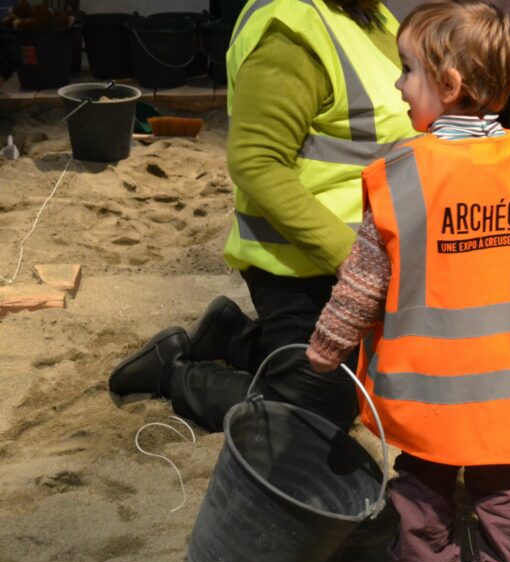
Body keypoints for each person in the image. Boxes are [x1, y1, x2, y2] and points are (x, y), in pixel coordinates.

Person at [306, 0, 510, 562]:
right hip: (505, 386)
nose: (398, 83)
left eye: (407, 70)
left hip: (423, 385)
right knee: (503, 485)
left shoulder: (402, 174)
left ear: (449, 86)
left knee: (423, 487)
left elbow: (360, 283)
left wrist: (326, 347)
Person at [107, 0, 417, 432]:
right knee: (313, 418)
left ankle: (235, 338)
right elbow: (256, 162)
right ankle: (171, 372)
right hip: (304, 267)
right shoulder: (289, 30)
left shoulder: (373, 15)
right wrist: (351, 258)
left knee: (374, 386)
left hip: (373, 264)